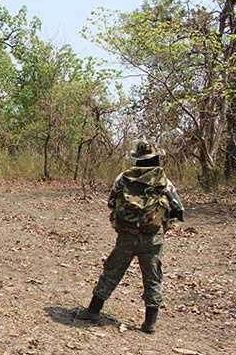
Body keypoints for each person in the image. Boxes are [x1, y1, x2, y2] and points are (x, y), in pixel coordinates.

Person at [76, 140, 184, 334]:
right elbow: (178, 209)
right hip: (153, 238)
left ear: (137, 159)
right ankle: (149, 323)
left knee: (112, 271)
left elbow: (111, 202)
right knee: (152, 277)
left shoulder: (124, 178)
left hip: (126, 236)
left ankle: (93, 311)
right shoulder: (164, 181)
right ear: (156, 158)